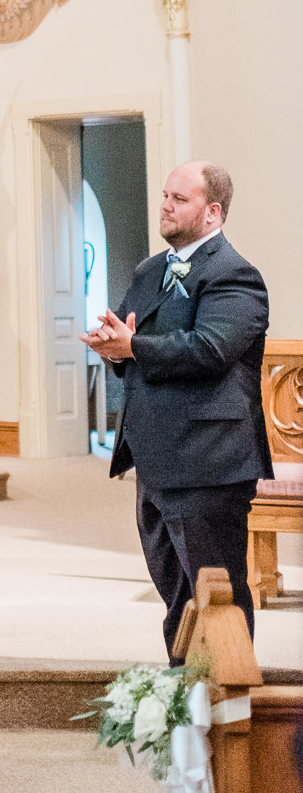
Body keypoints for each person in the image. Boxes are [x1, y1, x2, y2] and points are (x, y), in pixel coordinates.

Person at [82, 161, 270, 654]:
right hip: (156, 456)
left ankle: (229, 702)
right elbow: (132, 336)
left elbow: (209, 350)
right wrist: (112, 345)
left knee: (217, 592)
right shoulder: (150, 270)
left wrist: (133, 348)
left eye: (179, 199)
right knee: (176, 594)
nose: (165, 206)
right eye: (165, 196)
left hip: (209, 458)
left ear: (212, 212)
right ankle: (182, 696)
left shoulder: (236, 275)